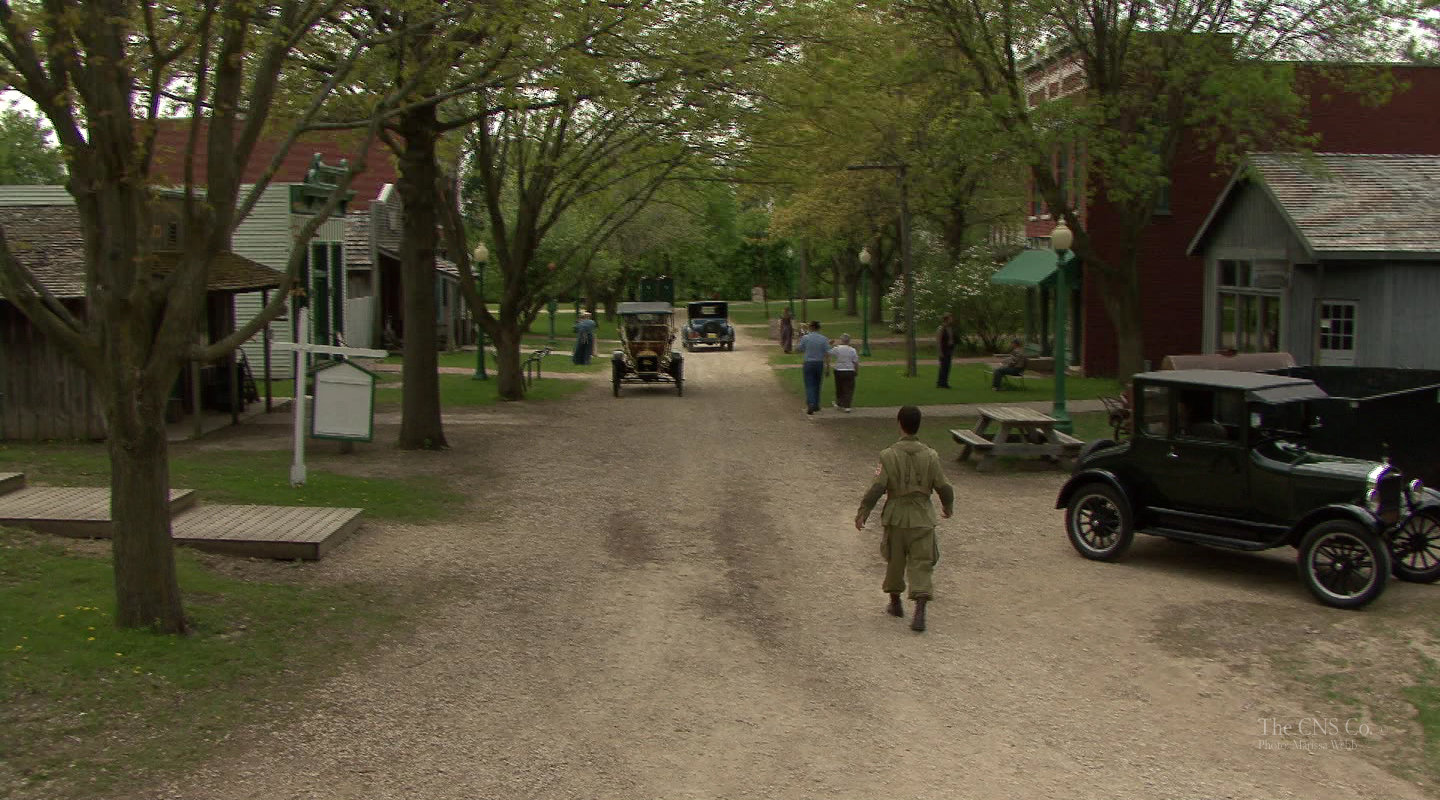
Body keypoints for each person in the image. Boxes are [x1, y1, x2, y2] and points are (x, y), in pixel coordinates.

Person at [855, 406, 954, 632]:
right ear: (919, 424)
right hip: (922, 516)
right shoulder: (931, 455)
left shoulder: (888, 455)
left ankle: (895, 602)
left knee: (895, 559)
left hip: (897, 515)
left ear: (899, 423)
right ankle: (919, 611)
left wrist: (864, 511)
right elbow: (944, 486)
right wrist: (948, 506)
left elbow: (877, 487)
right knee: (922, 561)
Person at [795, 320, 830, 415]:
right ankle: (816, 404)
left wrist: (798, 339)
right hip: (819, 363)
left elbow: (798, 349)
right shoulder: (824, 339)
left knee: (809, 384)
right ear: (818, 328)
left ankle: (810, 402)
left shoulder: (806, 338)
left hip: (808, 363)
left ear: (812, 327)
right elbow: (827, 353)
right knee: (818, 384)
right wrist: (827, 367)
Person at [830, 333, 859, 412]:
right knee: (849, 388)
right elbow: (855, 362)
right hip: (849, 370)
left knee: (839, 387)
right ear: (849, 341)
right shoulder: (852, 350)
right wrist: (856, 371)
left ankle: (839, 403)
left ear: (841, 340)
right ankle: (847, 406)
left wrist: (829, 344)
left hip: (839, 370)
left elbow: (829, 352)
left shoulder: (837, 348)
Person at [936, 313, 956, 389]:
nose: (952, 320)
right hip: (943, 349)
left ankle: (944, 382)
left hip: (949, 349)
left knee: (947, 367)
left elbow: (951, 339)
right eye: (950, 318)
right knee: (943, 366)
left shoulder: (950, 328)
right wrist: (939, 352)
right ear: (946, 319)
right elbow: (938, 341)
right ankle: (940, 383)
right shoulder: (941, 328)